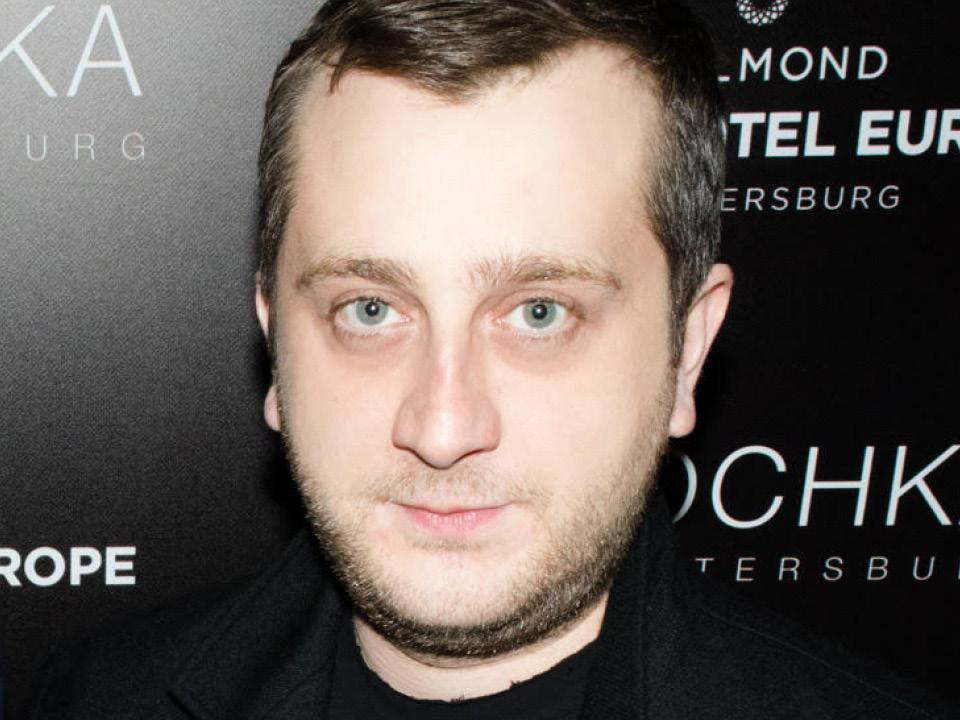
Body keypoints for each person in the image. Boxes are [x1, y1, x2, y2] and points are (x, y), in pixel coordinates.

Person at [25, 1, 953, 718]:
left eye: (540, 313)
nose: (442, 427)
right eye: (371, 309)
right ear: (277, 344)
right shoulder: (86, 700)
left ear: (687, 349)